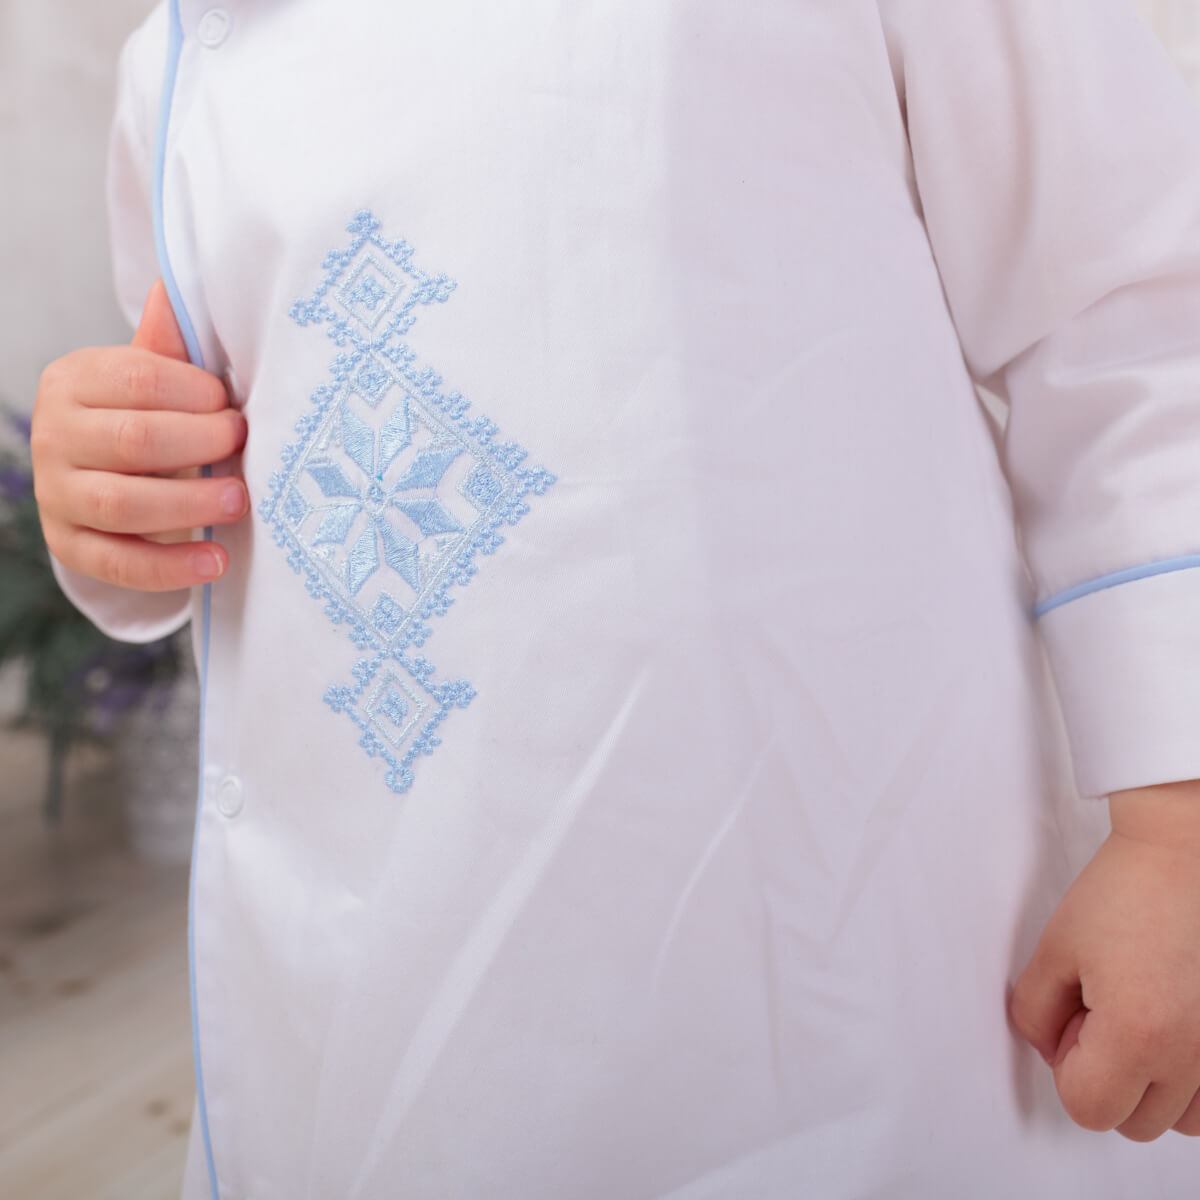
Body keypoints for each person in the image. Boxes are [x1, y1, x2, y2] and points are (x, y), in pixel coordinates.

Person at [29, 0, 1200, 1196]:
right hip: (382, 1011)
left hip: (861, 978)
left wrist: (1179, 828)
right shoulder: (190, 55)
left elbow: (1129, 319)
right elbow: (238, 473)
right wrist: (114, 487)